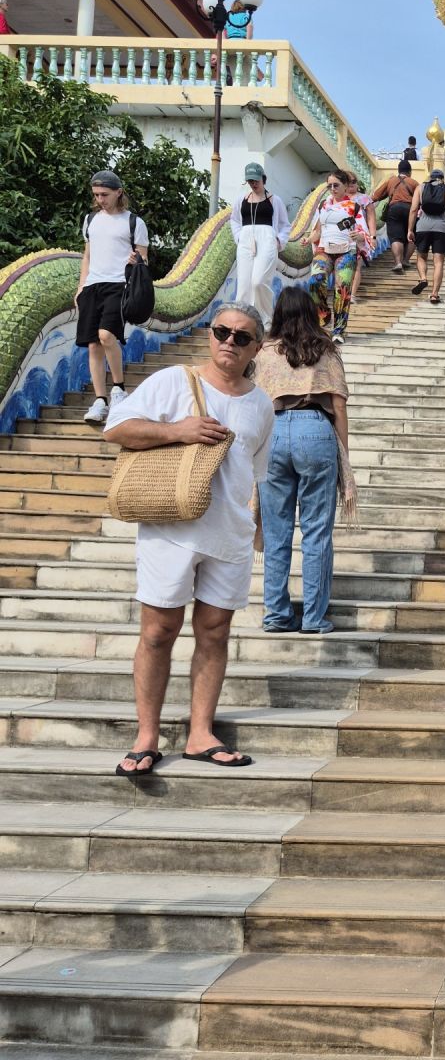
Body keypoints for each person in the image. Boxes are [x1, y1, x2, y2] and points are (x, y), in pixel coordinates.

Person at [106, 303, 274, 777]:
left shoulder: (261, 404)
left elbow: (255, 476)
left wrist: (257, 530)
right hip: (171, 529)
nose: (229, 341)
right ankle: (146, 735)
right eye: (222, 331)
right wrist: (177, 430)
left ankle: (201, 733)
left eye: (242, 337)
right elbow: (115, 429)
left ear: (256, 347)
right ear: (210, 334)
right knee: (159, 631)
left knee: (215, 631)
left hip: (229, 534)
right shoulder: (174, 382)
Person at [255, 287, 354, 634]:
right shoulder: (326, 350)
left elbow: (258, 402)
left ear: (279, 314)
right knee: (316, 533)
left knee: (277, 531)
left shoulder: (265, 354)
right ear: (312, 314)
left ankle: (277, 615)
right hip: (316, 430)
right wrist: (343, 453)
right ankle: (313, 617)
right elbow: (338, 405)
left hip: (275, 432)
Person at [76, 170, 150, 427]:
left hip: (119, 285)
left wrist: (136, 260)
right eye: (96, 195)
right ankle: (100, 400)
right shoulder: (90, 220)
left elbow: (144, 259)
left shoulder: (134, 223)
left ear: (118, 192)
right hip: (92, 285)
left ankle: (118, 389)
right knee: (93, 344)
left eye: (104, 194)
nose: (100, 199)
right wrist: (80, 287)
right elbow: (87, 255)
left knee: (107, 336)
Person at [231, 161, 291, 324]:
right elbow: (235, 220)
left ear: (263, 179)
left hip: (266, 241)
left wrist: (278, 240)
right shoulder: (241, 200)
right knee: (244, 284)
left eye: (256, 180)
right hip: (245, 242)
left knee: (258, 281)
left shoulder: (274, 200)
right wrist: (238, 236)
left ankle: (265, 319)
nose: (253, 184)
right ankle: (242, 319)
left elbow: (285, 224)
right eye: (250, 181)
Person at [309, 170, 359, 344]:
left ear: (346, 186)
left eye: (336, 185)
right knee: (315, 279)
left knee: (343, 288)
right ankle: (323, 318)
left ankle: (338, 330)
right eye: (329, 185)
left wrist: (359, 237)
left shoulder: (354, 206)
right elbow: (317, 230)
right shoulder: (323, 205)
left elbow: (363, 232)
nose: (332, 188)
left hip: (346, 251)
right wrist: (308, 239)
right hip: (324, 249)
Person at [408, 167, 445, 305]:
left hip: (422, 227)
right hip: (441, 229)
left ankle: (423, 278)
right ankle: (434, 294)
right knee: (438, 262)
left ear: (430, 177)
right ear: (442, 179)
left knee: (421, 256)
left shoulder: (420, 188)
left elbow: (413, 209)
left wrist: (410, 229)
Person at [373, 160, 418, 273]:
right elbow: (420, 200)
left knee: (396, 237)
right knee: (412, 235)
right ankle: (406, 260)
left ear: (398, 171)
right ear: (410, 171)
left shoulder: (391, 181)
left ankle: (398, 262)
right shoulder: (414, 183)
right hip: (410, 210)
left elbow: (376, 196)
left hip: (394, 209)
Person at [345, 172, 377, 304]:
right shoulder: (338, 199)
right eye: (349, 181)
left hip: (359, 236)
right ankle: (343, 293)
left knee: (357, 265)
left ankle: (352, 294)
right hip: (342, 236)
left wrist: (372, 236)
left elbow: (371, 218)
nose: (352, 184)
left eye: (354, 181)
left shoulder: (364, 199)